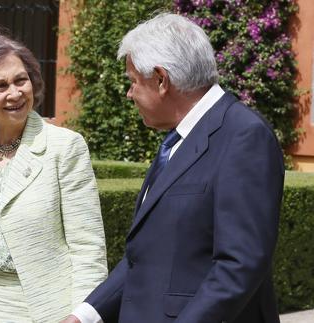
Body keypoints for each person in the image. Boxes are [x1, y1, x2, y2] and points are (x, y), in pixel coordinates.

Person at [64, 13, 285, 323]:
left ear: (161, 79)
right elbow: (142, 256)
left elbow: (239, 266)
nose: (130, 94)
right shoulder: (179, 138)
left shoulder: (244, 136)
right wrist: (85, 315)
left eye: (133, 81)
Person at [0, 31, 108, 323]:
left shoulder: (65, 147)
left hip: (46, 311)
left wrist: (82, 316)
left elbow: (88, 248)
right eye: (0, 86)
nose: (16, 93)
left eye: (21, 80)